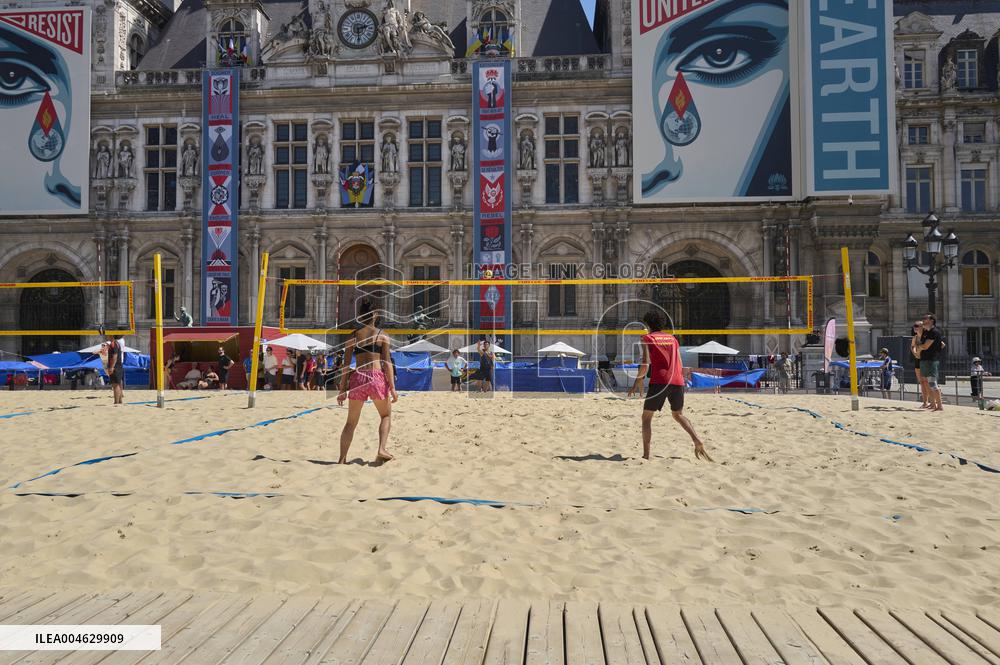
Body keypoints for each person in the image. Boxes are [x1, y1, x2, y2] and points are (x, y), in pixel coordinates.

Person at [628, 310, 713, 462]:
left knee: (646, 418)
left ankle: (646, 455)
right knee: (678, 414)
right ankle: (697, 440)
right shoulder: (673, 339)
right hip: (677, 380)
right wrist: (681, 380)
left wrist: (637, 381)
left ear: (648, 325)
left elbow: (645, 364)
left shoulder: (647, 338)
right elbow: (679, 363)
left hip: (660, 380)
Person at [337, 298, 397, 464]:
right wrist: (392, 387)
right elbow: (387, 363)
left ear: (360, 316)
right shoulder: (382, 335)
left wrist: (342, 390)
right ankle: (381, 448)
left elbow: (346, 366)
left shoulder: (352, 336)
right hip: (376, 377)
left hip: (358, 377)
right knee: (385, 416)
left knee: (350, 423)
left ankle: (342, 459)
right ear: (375, 315)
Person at [915, 313, 944, 411]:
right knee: (927, 384)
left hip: (931, 360)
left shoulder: (934, 332)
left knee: (932, 383)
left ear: (931, 321)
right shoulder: (926, 332)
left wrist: (919, 348)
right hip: (925, 360)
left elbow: (925, 346)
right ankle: (933, 404)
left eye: (925, 318)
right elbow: (941, 345)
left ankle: (939, 406)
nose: (923, 320)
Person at [910, 320, 930, 408]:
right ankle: (925, 402)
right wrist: (915, 353)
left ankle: (932, 402)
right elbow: (912, 346)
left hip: (926, 360)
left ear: (922, 327)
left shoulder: (927, 336)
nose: (915, 327)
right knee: (921, 382)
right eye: (914, 326)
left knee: (927, 382)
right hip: (918, 359)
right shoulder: (915, 337)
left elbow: (940, 345)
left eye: (917, 326)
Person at [105, 330, 124, 405]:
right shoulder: (117, 343)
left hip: (115, 366)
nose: (107, 336)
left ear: (112, 336)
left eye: (109, 335)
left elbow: (115, 356)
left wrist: (111, 367)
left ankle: (116, 402)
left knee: (115, 384)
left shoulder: (113, 344)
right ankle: (119, 401)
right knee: (118, 384)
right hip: (118, 365)